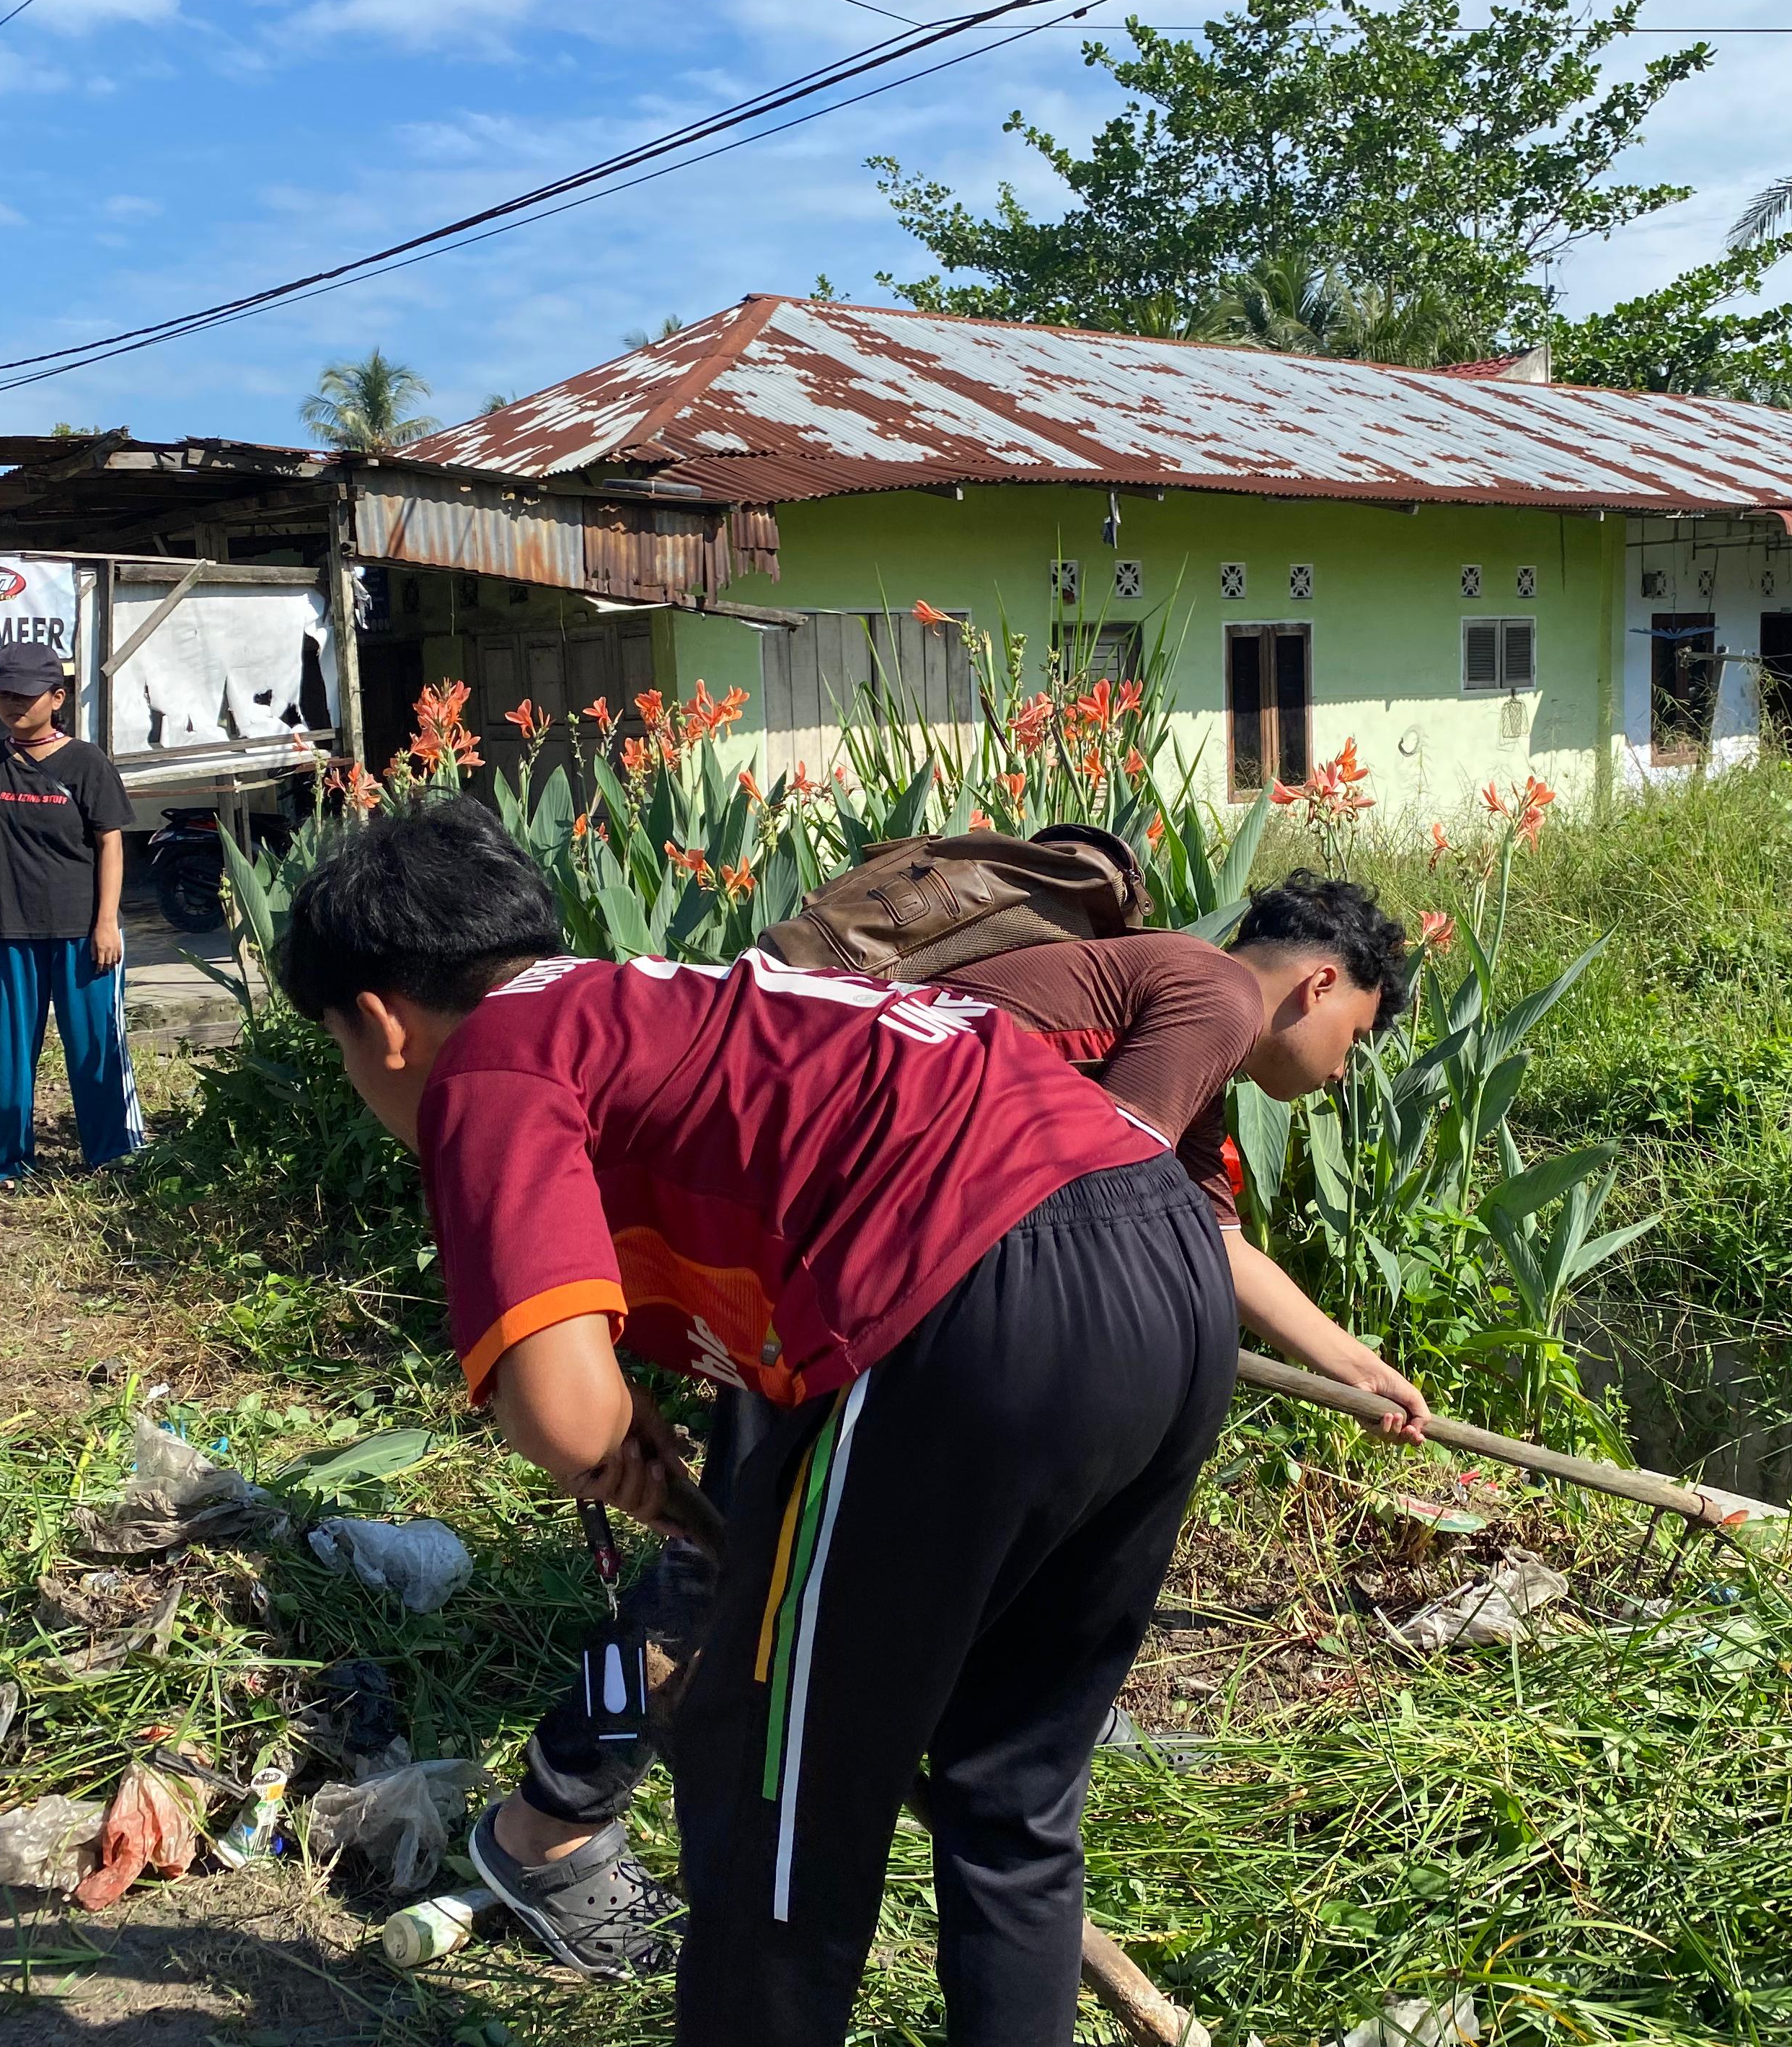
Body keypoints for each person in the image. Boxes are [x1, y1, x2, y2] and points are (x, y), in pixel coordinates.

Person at [281, 793, 1232, 2047]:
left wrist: (602, 1436)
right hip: (1167, 1260)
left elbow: (564, 1418)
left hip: (970, 1286)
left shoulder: (492, 1058)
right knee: (1012, 1793)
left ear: (378, 1020)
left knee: (776, 1797)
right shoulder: (669, 998)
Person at [485, 866, 1434, 1978]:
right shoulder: (1212, 993)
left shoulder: (1174, 1014)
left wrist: (1352, 1363)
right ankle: (547, 1822)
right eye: (1357, 1036)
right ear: (1318, 984)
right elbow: (1103, 1203)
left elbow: (1190, 1233)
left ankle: (977, 1723)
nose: (1344, 1071)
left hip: (862, 1275)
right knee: (718, 1580)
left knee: (777, 1564)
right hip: (843, 1284)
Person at [0, 640, 142, 1184]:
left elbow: (111, 845)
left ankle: (115, 1154)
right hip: (6, 930)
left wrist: (107, 922)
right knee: (8, 1055)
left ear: (57, 698)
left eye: (26, 695)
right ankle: (5, 1161)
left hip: (83, 932)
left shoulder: (87, 763)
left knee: (96, 1047)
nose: (13, 704)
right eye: (4, 694)